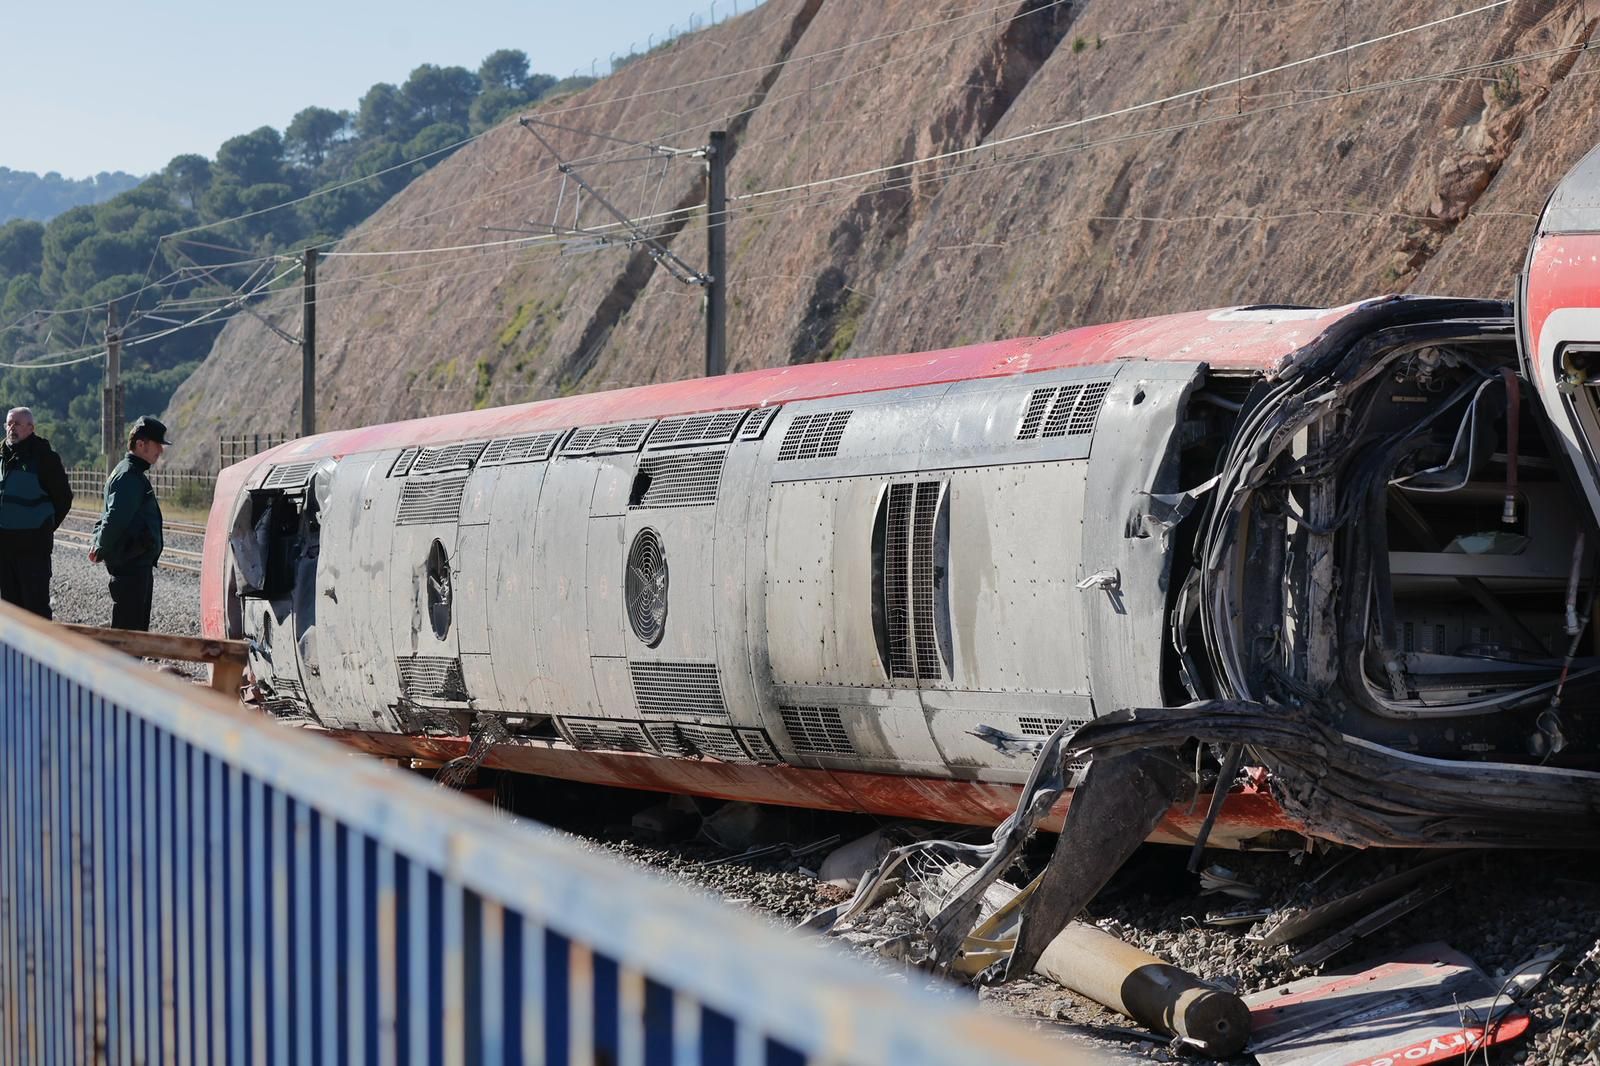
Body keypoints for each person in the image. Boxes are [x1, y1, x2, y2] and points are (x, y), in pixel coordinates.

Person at [90, 416, 169, 631]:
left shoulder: (129, 472)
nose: (160, 450)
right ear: (141, 444)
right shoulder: (129, 476)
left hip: (134, 563)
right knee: (130, 634)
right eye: (157, 444)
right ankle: (122, 666)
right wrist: (100, 547)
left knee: (133, 631)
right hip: (131, 565)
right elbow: (114, 520)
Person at [0, 406, 73, 618]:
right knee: (9, 608)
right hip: (4, 547)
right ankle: (11, 652)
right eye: (9, 423)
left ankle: (39, 651)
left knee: (35, 608)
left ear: (31, 428)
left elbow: (63, 498)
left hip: (33, 547)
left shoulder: (44, 457)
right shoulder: (1, 456)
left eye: (18, 423)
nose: (12, 428)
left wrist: (45, 526)